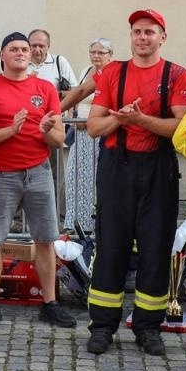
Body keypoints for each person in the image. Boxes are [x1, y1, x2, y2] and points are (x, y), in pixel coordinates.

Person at [83, 10, 186, 357]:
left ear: (163, 36)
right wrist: (121, 119)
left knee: (154, 250)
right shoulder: (114, 72)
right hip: (117, 168)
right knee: (110, 247)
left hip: (158, 169)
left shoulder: (177, 74)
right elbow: (93, 127)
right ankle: (102, 326)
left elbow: (180, 128)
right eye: (136, 31)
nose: (142, 37)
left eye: (149, 32)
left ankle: (148, 327)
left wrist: (140, 118)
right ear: (130, 36)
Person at [0, 31, 77, 332]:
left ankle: (50, 303)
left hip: (39, 173)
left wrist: (44, 129)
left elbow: (57, 139)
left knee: (46, 240)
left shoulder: (45, 88)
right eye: (14, 48)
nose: (21, 52)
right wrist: (9, 131)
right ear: (2, 54)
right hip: (0, 176)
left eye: (25, 49)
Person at [59, 37, 114, 234]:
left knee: (92, 179)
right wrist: (71, 116)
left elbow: (110, 104)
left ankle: (89, 223)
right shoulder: (85, 71)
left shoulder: (111, 73)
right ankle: (73, 221)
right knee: (74, 176)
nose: (96, 56)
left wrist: (89, 121)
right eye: (93, 52)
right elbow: (79, 93)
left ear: (110, 55)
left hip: (96, 134)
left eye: (101, 52)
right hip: (79, 133)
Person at [28, 29, 79, 220]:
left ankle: (58, 215)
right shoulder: (22, 62)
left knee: (54, 172)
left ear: (48, 46)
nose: (37, 49)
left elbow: (74, 91)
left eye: (41, 45)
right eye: (33, 45)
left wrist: (52, 95)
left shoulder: (59, 62)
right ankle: (20, 219)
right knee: (20, 172)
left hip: (52, 126)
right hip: (26, 128)